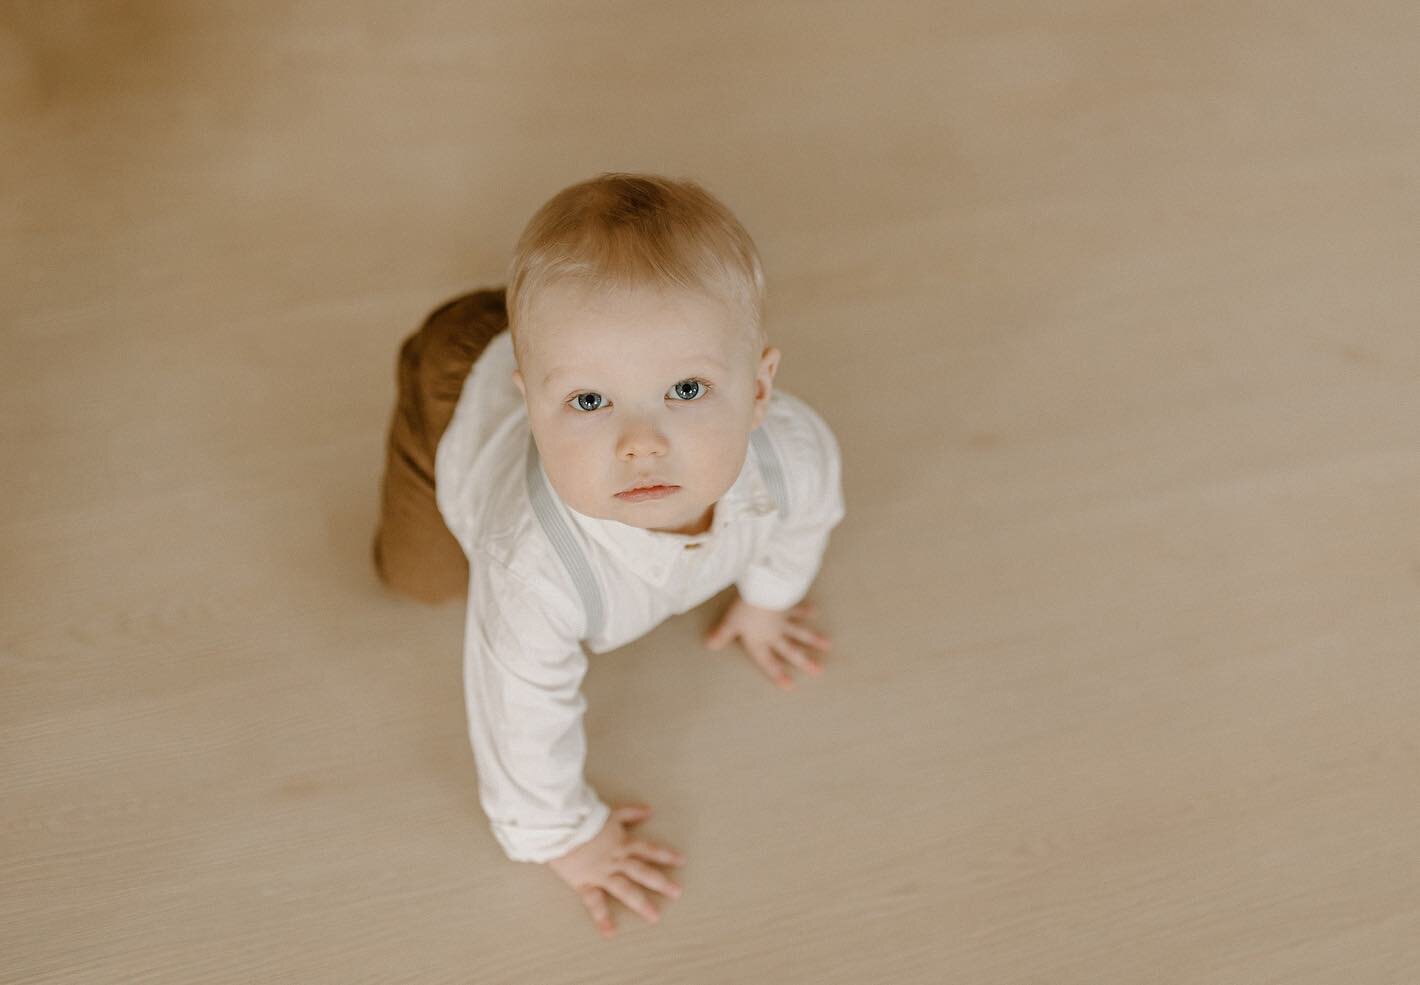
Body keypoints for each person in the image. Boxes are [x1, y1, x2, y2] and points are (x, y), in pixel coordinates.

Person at [371, 172, 846, 938]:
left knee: (590, 331)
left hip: (546, 349)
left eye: (686, 388)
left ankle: (560, 327)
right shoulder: (534, 570)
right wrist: (568, 834)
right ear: (532, 407)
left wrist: (769, 596)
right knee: (419, 578)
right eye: (590, 403)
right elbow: (518, 712)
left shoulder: (792, 453)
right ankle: (517, 327)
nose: (641, 441)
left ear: (759, 390)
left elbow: (805, 520)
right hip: (454, 392)